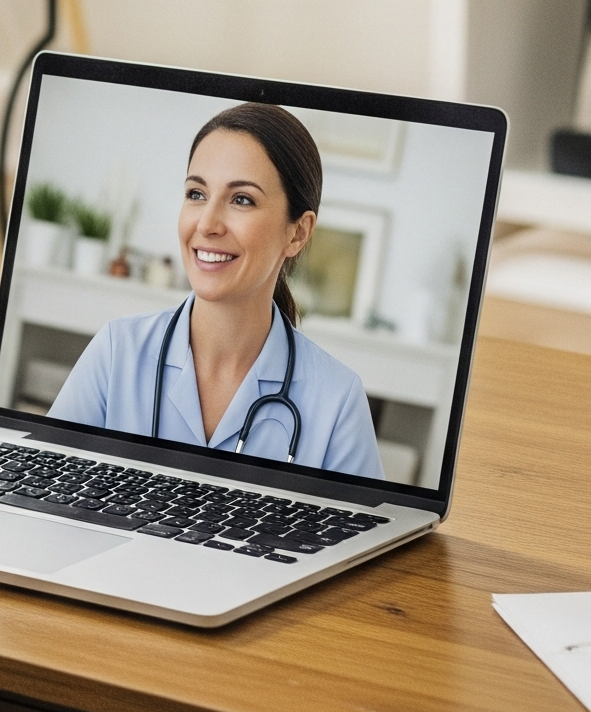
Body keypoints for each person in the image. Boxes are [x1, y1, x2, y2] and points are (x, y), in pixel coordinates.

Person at [47, 103, 383, 478]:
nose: (207, 223)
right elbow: (42, 496)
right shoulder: (116, 352)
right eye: (196, 194)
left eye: (242, 199)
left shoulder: (337, 400)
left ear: (298, 232)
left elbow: (373, 535)